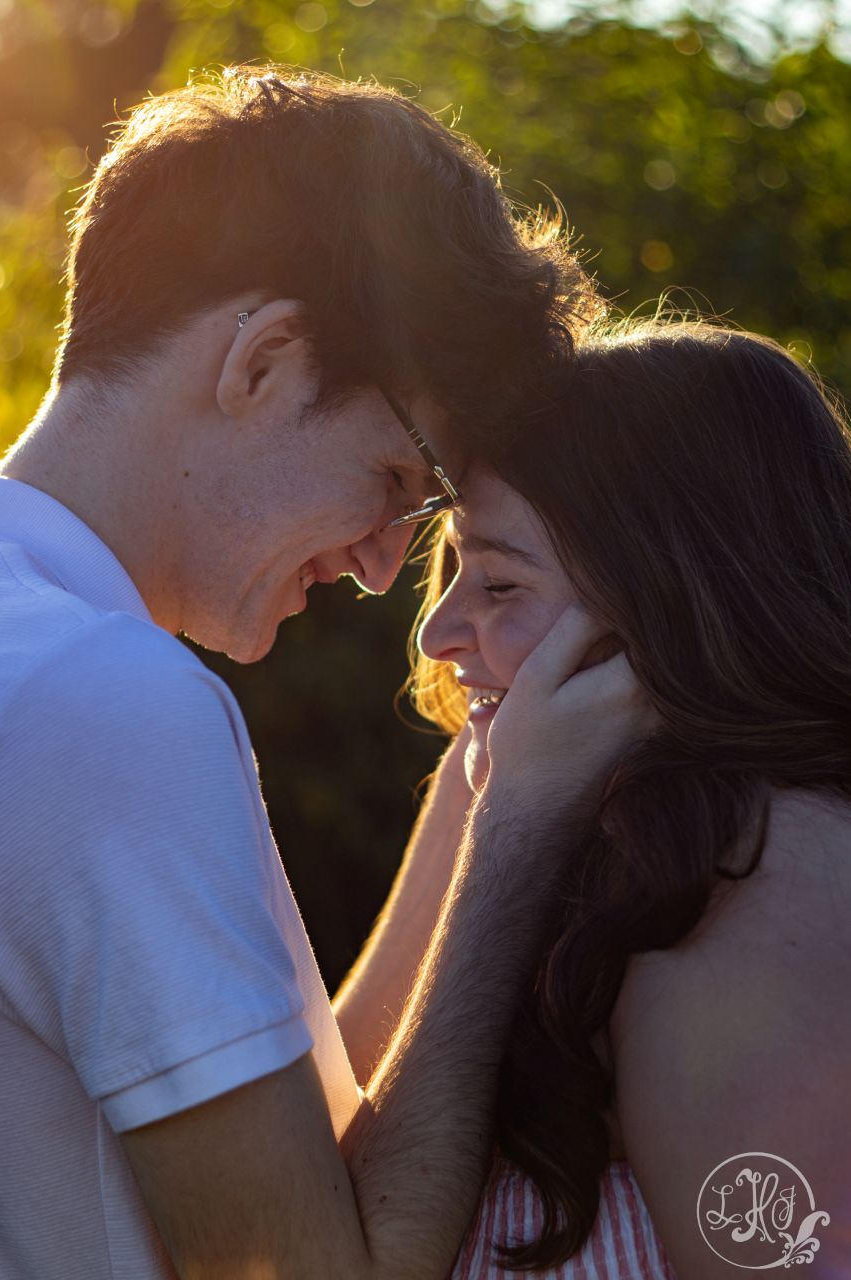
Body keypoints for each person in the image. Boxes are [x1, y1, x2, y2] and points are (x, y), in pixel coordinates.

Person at [0, 65, 656, 1279]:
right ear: (265, 359)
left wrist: (476, 791)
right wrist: (516, 836)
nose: (378, 568)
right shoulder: (110, 706)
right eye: (401, 481)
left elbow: (310, 1141)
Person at [412, 316, 851, 1278]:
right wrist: (498, 817)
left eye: (496, 583)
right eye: (452, 573)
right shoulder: (529, 804)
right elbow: (348, 1157)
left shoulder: (752, 881)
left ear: (667, 602)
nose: (438, 632)